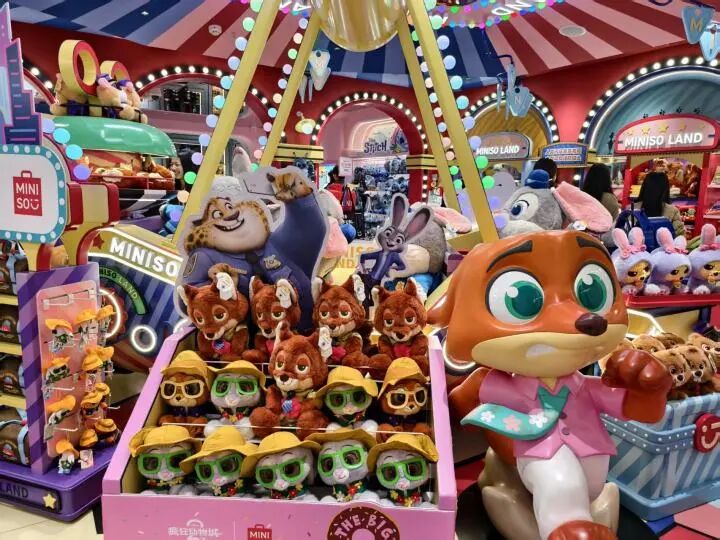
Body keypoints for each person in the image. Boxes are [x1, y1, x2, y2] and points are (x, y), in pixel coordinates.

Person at [635, 171, 685, 237]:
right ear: (665, 189)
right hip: (665, 243)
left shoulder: (632, 209)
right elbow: (679, 236)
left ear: (644, 187)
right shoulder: (672, 211)